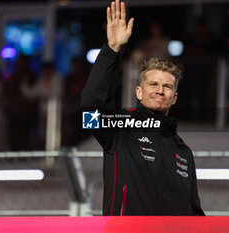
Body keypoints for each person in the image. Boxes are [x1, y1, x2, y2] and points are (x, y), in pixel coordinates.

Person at [81, 0, 204, 216]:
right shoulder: (120, 127)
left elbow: (194, 212)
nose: (160, 91)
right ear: (139, 92)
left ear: (174, 98)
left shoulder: (184, 151)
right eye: (153, 84)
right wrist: (112, 50)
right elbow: (91, 107)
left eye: (167, 86)